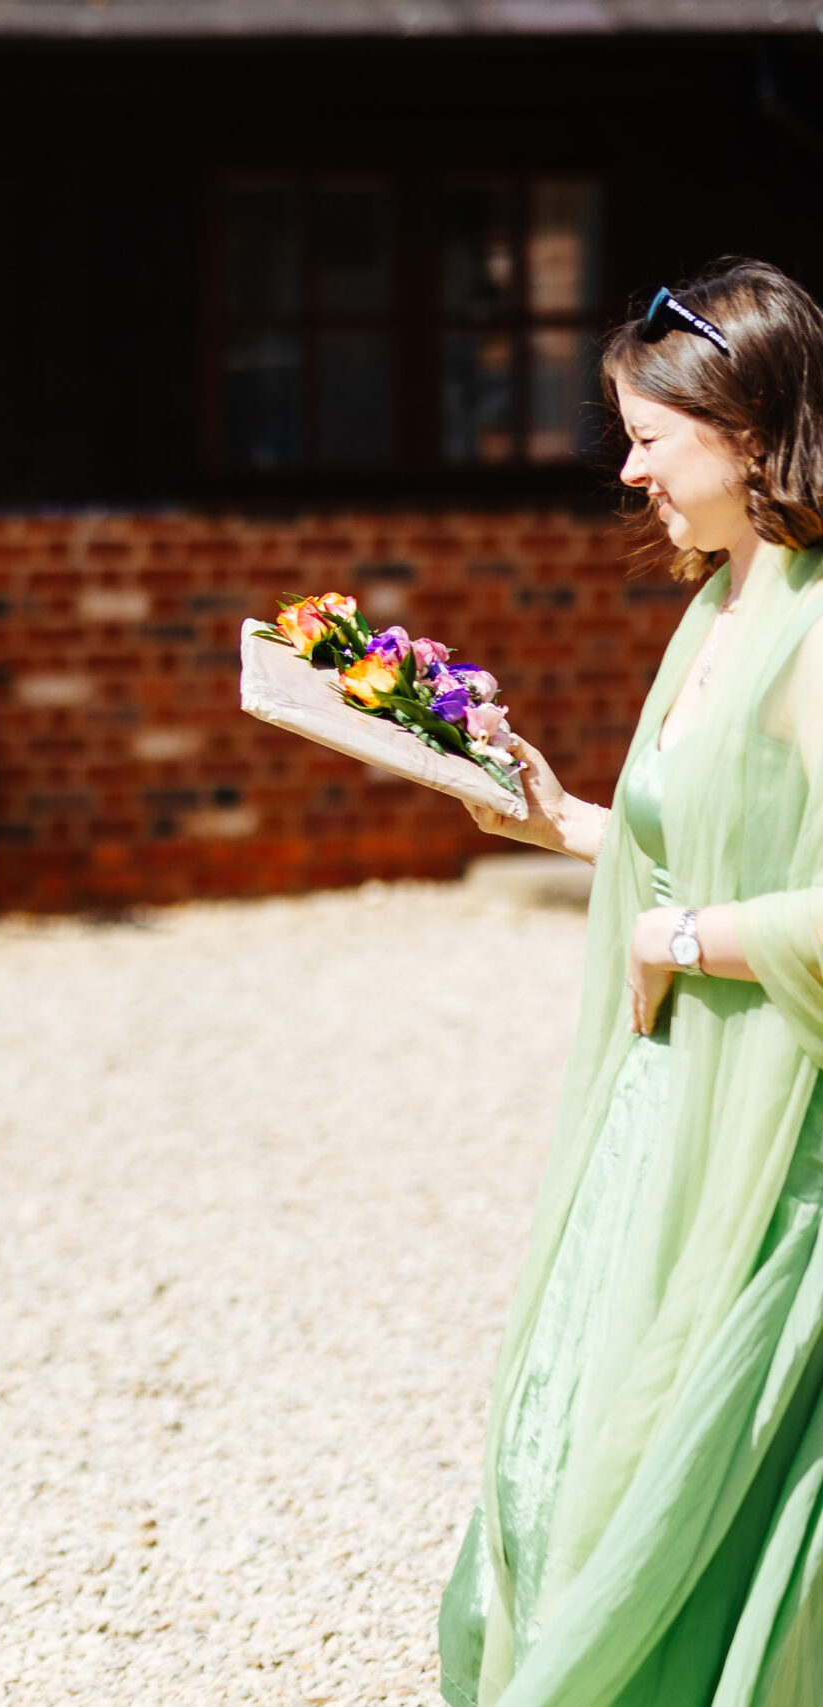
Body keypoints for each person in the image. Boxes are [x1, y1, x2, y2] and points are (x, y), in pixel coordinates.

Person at [448, 260, 823, 1704]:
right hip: (666, 1105)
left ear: (747, 431)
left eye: (651, 438)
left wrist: (678, 942)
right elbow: (701, 855)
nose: (627, 468)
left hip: (772, 1127)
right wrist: (562, 821)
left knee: (682, 1465)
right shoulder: (725, 602)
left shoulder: (810, 627)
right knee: (566, 1445)